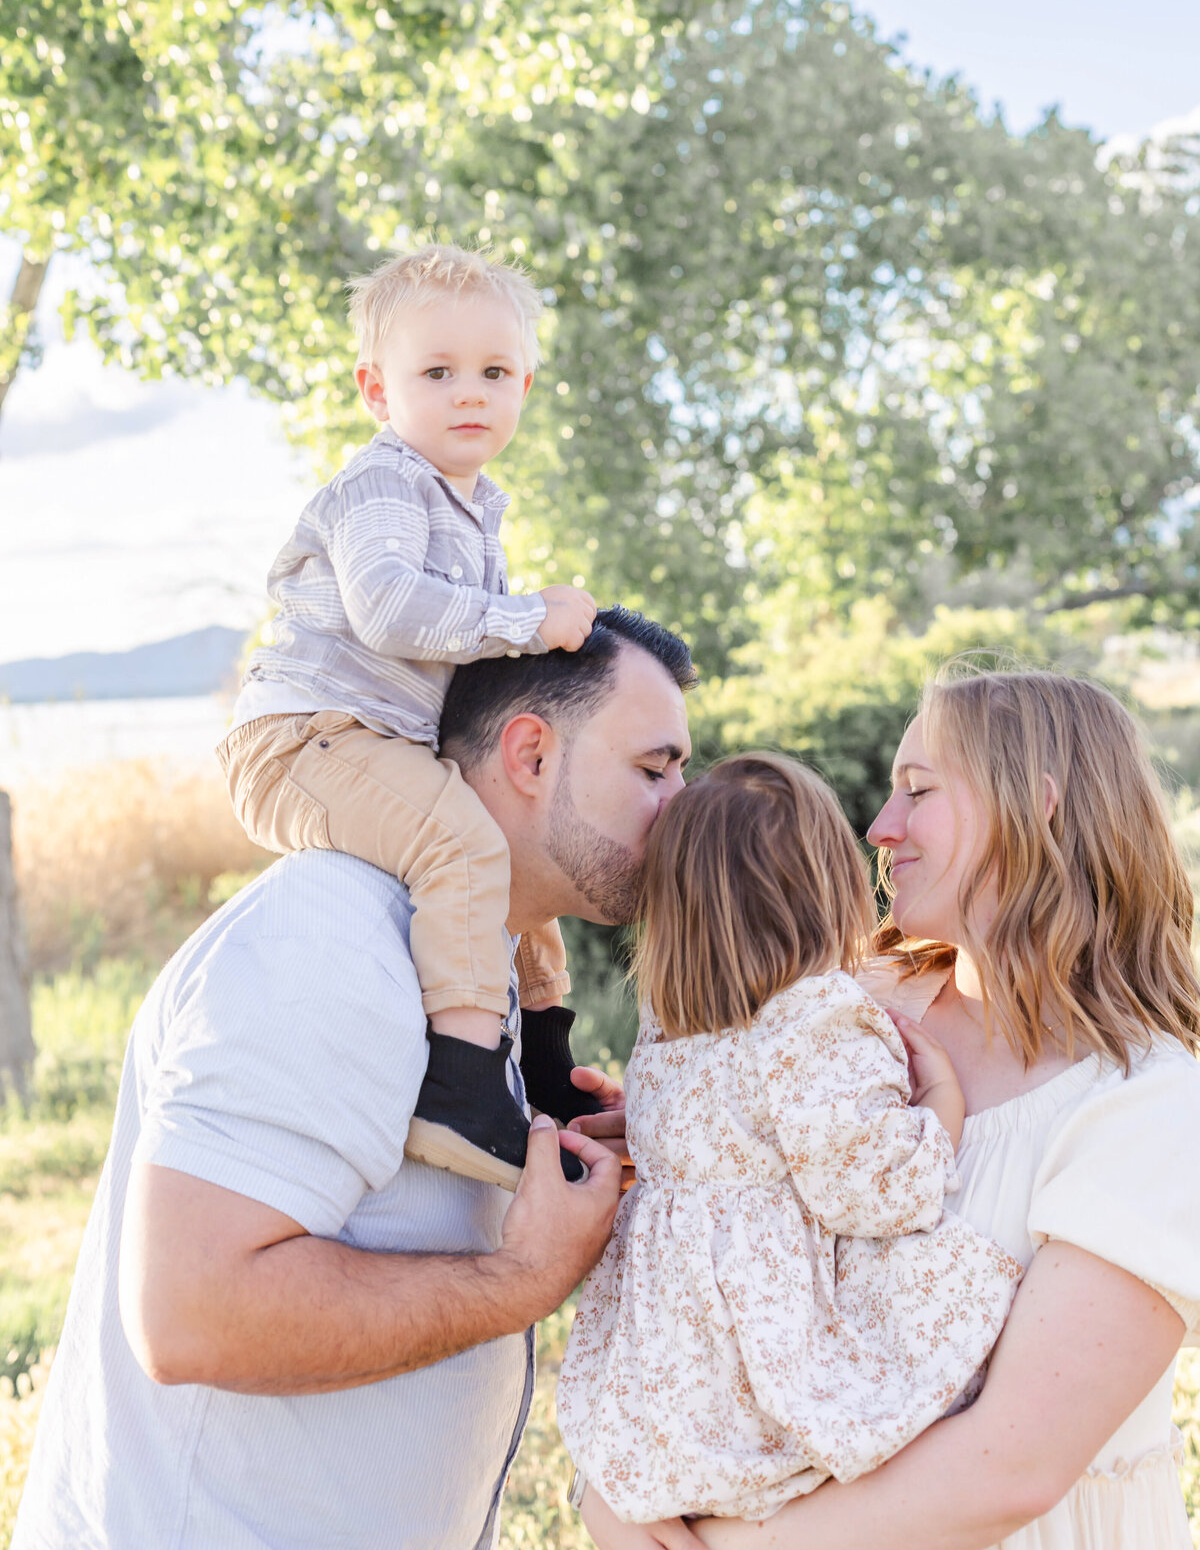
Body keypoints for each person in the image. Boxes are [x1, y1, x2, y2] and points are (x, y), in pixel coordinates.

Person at [12, 606, 694, 1550]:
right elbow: (193, 1313)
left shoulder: (471, 957)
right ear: (532, 757)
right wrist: (526, 1276)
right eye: (655, 770)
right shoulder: (334, 937)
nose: (683, 805)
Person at [578, 666, 1200, 1550]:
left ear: (1040, 808)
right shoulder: (840, 1009)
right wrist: (615, 1492)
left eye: (919, 791)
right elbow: (689, 1266)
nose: (880, 826)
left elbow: (1008, 1470)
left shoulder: (1145, 1102)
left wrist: (716, 1544)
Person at [218, 242, 602, 1189]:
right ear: (378, 392)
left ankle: (542, 1062)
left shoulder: (475, 506)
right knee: (462, 851)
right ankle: (461, 1088)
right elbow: (390, 607)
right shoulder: (384, 483)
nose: (468, 392)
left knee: (517, 850)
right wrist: (528, 620)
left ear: (524, 385)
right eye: (436, 372)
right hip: (305, 740)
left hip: (371, 742)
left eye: (494, 372)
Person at [558, 752, 1020, 1525]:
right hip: (762, 1354)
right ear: (830, 887)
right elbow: (873, 1191)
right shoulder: (817, 1021)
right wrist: (940, 1100)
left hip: (673, 1369)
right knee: (972, 1308)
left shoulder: (666, 1031)